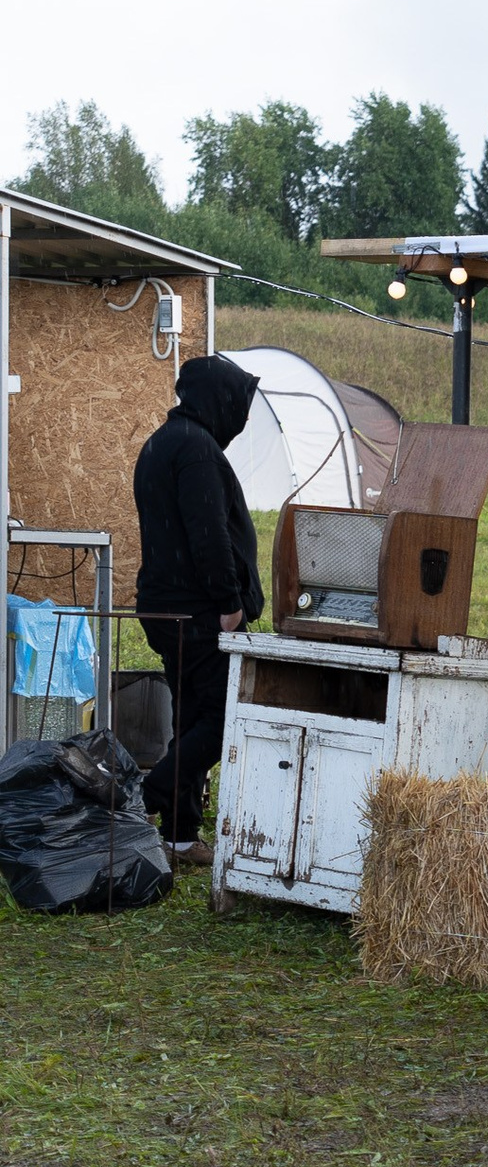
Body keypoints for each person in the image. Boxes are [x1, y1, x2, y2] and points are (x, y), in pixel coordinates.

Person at [133, 353, 264, 866]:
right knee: (225, 718)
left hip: (167, 609)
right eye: (239, 405)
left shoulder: (163, 442)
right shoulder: (195, 450)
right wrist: (229, 605)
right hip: (198, 613)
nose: (243, 417)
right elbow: (208, 535)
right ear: (219, 400)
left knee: (190, 718)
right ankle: (149, 797)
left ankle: (180, 837)